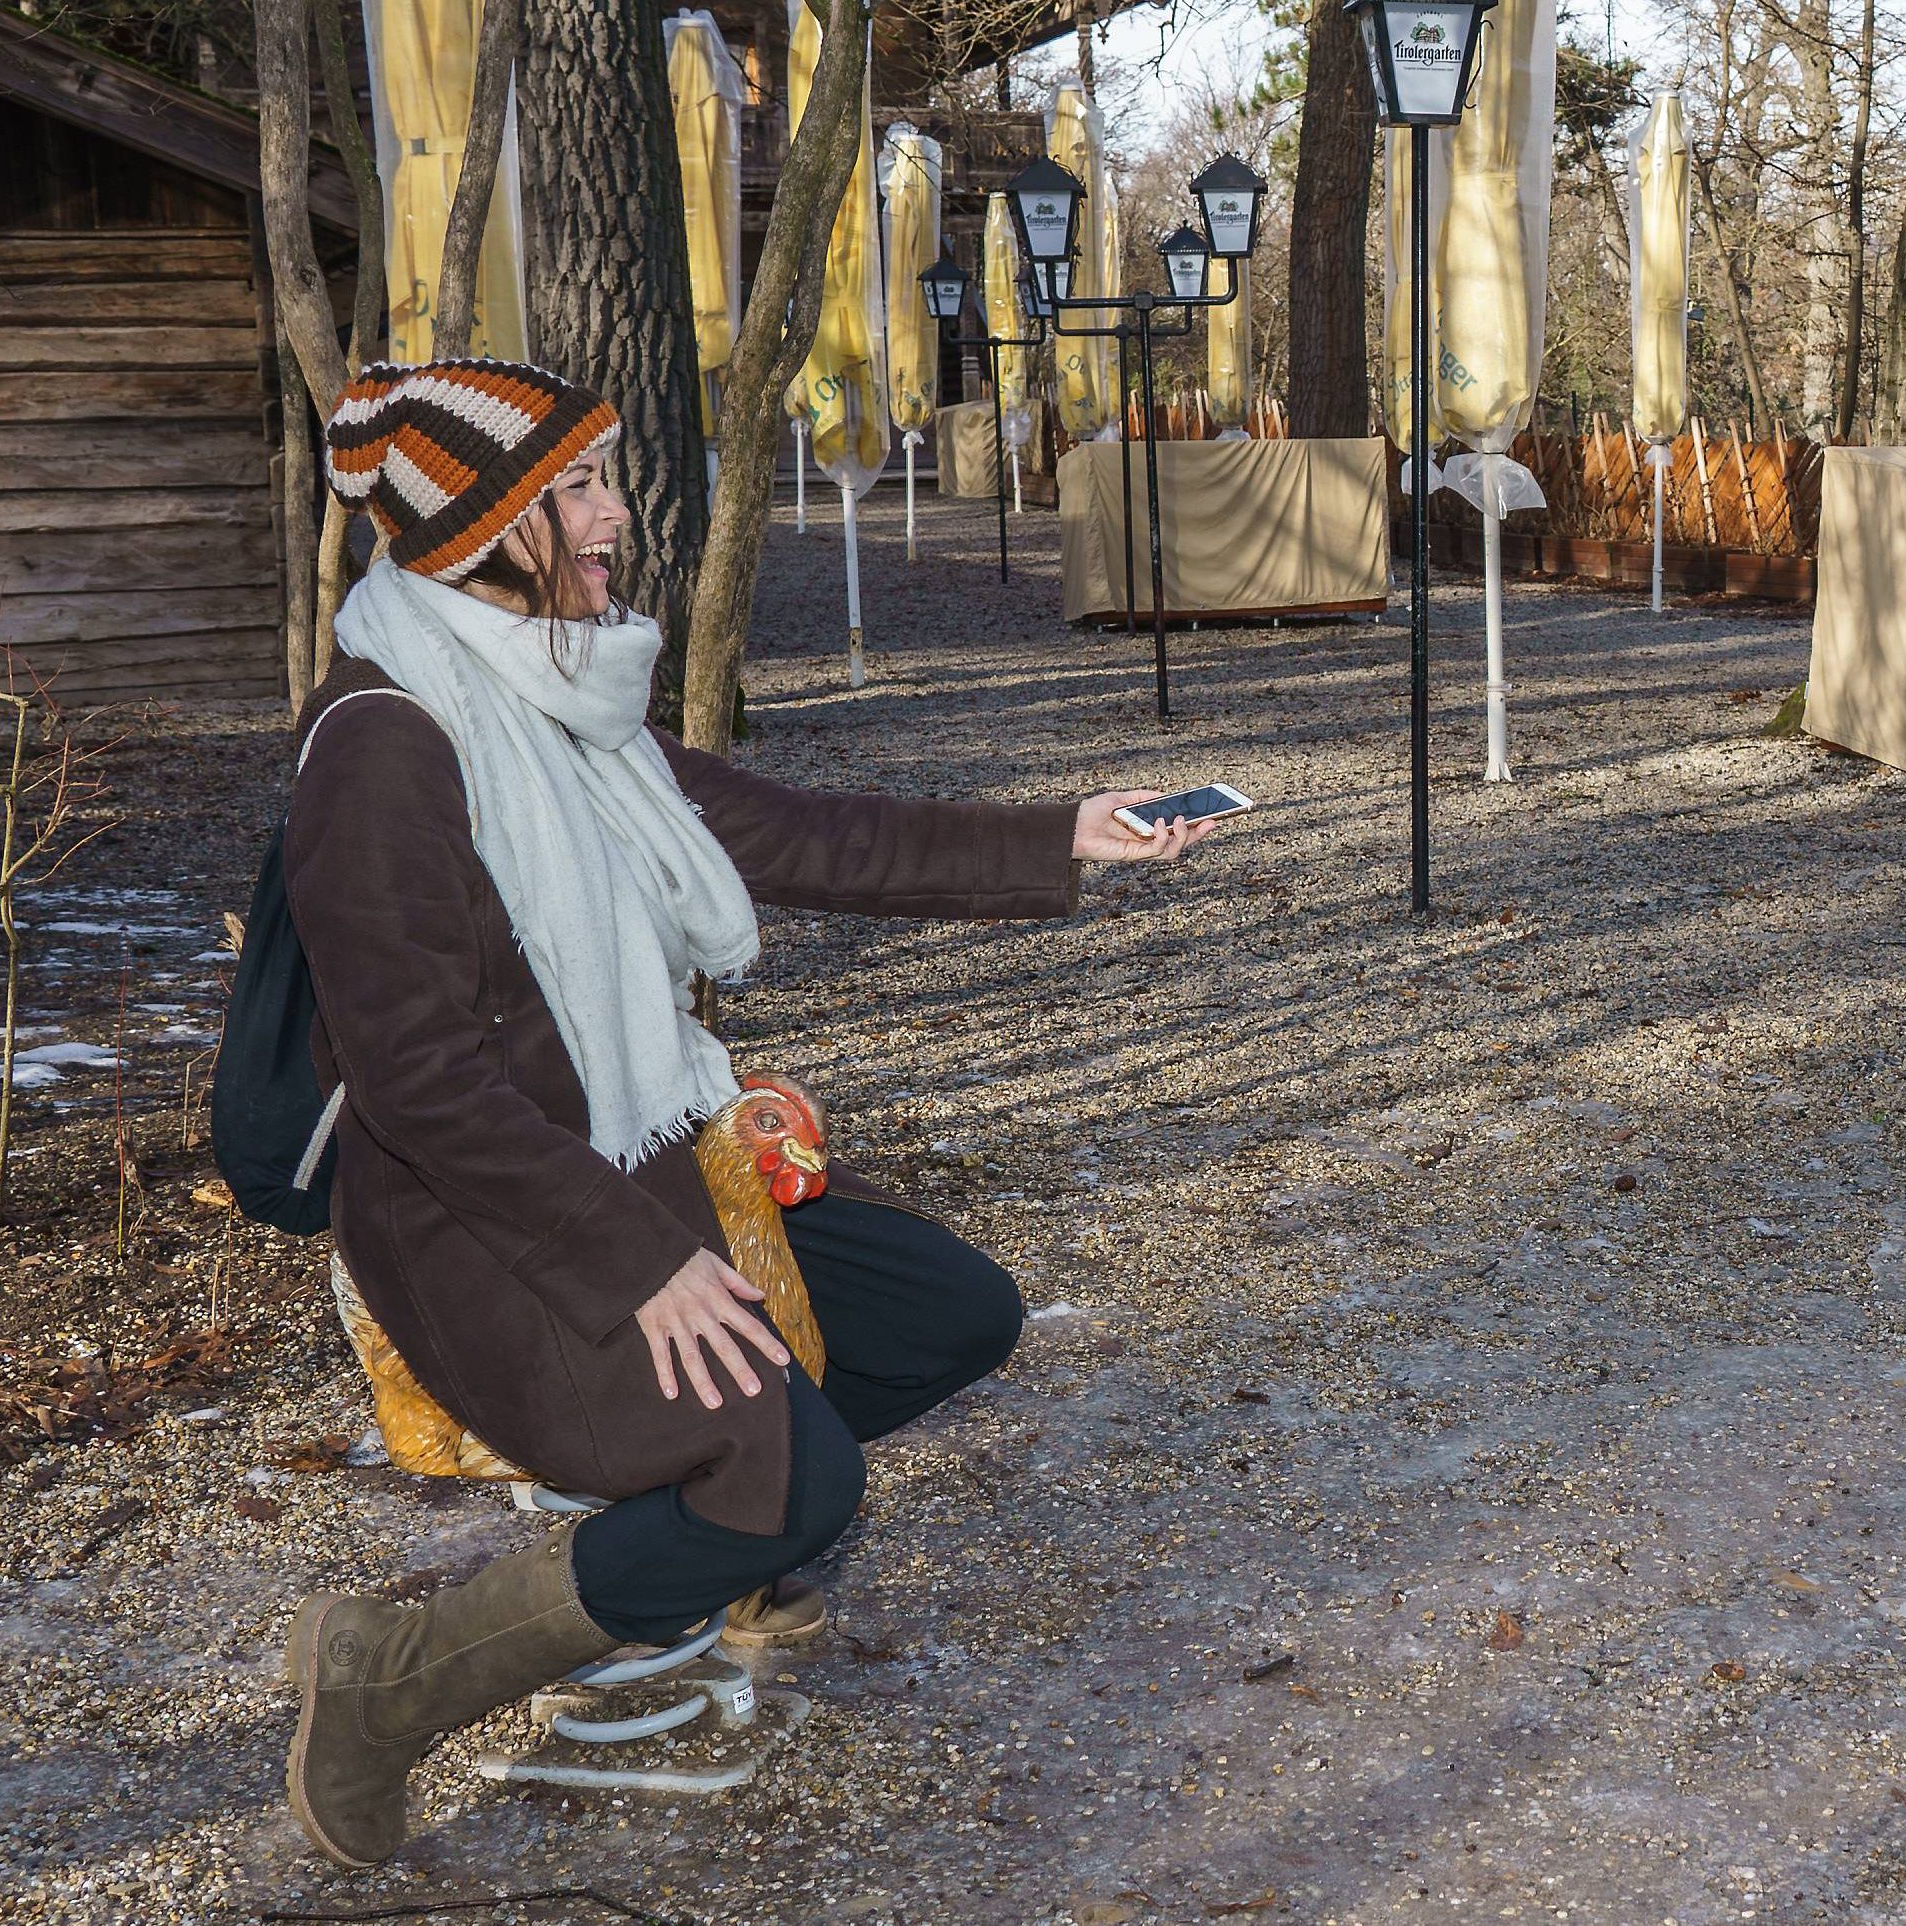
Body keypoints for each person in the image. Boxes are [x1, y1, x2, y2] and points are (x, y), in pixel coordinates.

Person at [274, 359, 1222, 1868]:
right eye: (574, 487)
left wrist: (1064, 835)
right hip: (490, 1232)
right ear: (482, 525)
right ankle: (392, 1678)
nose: (610, 514)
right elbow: (418, 1085)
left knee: (950, 1313)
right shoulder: (387, 746)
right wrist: (638, 1267)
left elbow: (789, 829)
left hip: (648, 1163)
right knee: (795, 1473)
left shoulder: (561, 701)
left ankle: (699, 1546)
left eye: (602, 477)